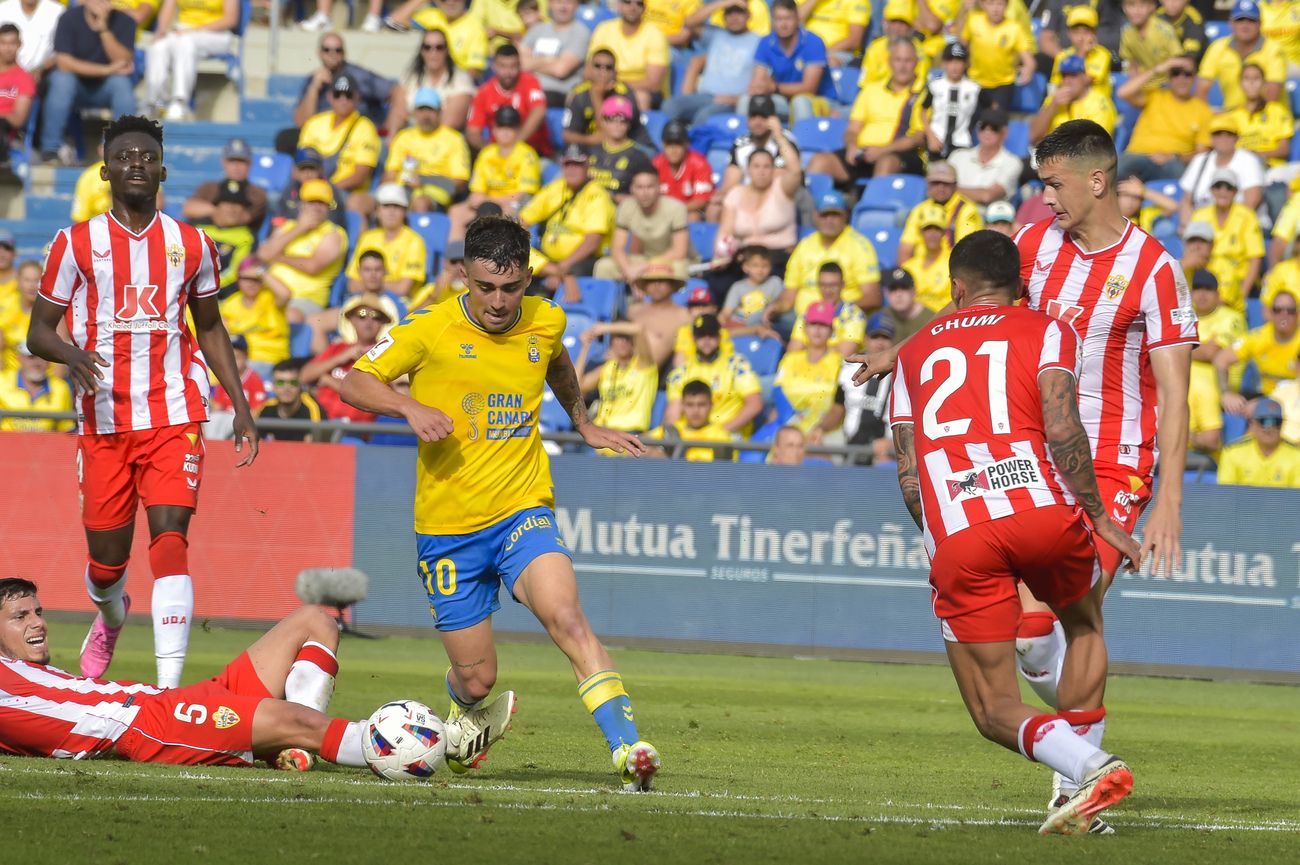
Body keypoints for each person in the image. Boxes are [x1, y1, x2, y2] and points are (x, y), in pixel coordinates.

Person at [340, 215, 660, 790]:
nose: (496, 300)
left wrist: (583, 423)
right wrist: (409, 407)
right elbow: (354, 382)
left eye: (510, 288)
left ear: (528, 278)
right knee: (478, 681)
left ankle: (627, 748)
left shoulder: (545, 319)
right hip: (447, 529)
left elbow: (557, 360)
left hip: (522, 508)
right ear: (464, 274)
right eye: (484, 286)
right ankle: (466, 720)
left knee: (567, 616)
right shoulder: (429, 327)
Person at [888, 229, 1140, 837]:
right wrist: (1100, 515)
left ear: (955, 288)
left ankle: (1088, 767)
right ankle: (1082, 781)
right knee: (1083, 625)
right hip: (1043, 514)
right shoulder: (1049, 329)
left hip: (962, 531)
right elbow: (1061, 427)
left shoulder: (913, 353)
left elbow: (909, 472)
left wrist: (943, 536)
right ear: (1021, 285)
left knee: (992, 708)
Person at [25, 115, 259, 688]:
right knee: (108, 565)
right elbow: (38, 333)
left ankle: (167, 691)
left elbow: (210, 329)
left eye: (146, 155)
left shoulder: (193, 243)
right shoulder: (74, 243)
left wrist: (242, 406)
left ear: (162, 169)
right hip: (103, 417)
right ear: (106, 170)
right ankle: (110, 613)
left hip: (175, 412)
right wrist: (71, 355)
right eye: (125, 155)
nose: (136, 162)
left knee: (172, 537)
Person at [0, 577, 392, 773]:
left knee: (314, 621)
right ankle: (400, 749)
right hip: (146, 725)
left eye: (37, 612)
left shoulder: (26, 672)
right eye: (20, 617)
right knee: (298, 720)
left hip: (175, 700)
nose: (37, 623)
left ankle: (296, 747)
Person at [806, 37, 927, 184]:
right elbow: (852, 129)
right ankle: (822, 205)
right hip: (864, 153)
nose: (902, 66)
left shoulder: (923, 93)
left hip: (899, 155)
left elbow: (917, 138)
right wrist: (851, 147)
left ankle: (872, 204)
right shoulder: (871, 90)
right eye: (898, 60)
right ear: (890, 62)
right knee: (820, 162)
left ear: (916, 63)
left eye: (907, 61)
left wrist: (882, 151)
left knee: (886, 163)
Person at [39, 0, 136, 164]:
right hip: (74, 86)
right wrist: (106, 69)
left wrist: (104, 29)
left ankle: (114, 149)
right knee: (62, 80)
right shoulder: (68, 18)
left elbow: (123, 60)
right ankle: (51, 149)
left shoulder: (125, 21)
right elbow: (63, 63)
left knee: (122, 85)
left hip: (105, 87)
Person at [257, 178, 348, 322]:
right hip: (269, 292)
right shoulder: (288, 227)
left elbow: (312, 266)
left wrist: (279, 257)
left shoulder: (334, 234)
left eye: (322, 203)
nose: (316, 208)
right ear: (302, 205)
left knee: (285, 316)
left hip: (304, 300)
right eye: (311, 202)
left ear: (328, 208)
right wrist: (300, 228)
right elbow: (263, 254)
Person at [520, 144, 615, 280]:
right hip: (550, 261)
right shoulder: (556, 188)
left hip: (581, 261)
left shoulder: (597, 195)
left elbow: (592, 241)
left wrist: (563, 267)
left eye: (577, 165)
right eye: (567, 164)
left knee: (575, 272)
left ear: (588, 166)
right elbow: (523, 219)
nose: (571, 170)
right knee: (517, 259)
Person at [714, 126, 802, 271]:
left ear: (773, 169)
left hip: (778, 258)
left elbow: (795, 170)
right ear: (748, 170)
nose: (761, 172)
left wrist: (779, 137)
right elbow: (725, 232)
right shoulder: (735, 194)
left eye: (766, 167)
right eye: (756, 166)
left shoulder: (782, 189)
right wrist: (720, 255)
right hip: (745, 259)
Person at [301, 291, 397, 424]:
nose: (368, 321)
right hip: (322, 424)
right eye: (362, 315)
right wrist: (342, 357)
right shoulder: (338, 349)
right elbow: (304, 376)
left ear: (382, 323)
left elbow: (374, 398)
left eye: (376, 316)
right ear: (352, 320)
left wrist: (329, 381)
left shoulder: (386, 355)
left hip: (356, 430)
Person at [1115, 53, 1213, 182]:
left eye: (1187, 74)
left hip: (1173, 162)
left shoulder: (1202, 109)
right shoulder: (1155, 96)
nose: (1181, 79)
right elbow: (1123, 93)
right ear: (1169, 77)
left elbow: (1202, 152)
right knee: (1113, 172)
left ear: (1195, 77)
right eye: (1176, 73)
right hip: (1139, 155)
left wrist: (1175, 156)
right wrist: (1159, 69)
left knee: (1185, 179)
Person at [449, 105, 541, 239]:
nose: (505, 131)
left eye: (510, 127)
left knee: (499, 212)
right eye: (501, 126)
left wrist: (489, 201)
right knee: (456, 211)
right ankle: (457, 257)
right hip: (486, 203)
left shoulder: (527, 154)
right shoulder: (487, 153)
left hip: (511, 205)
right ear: (494, 129)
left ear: (518, 129)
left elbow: (524, 194)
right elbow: (477, 190)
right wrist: (480, 201)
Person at [664, 312, 763, 435]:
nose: (706, 340)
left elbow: (755, 404)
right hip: (692, 436)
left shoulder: (737, 365)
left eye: (711, 335)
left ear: (719, 337)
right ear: (694, 339)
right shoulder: (681, 372)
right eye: (701, 336)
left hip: (729, 435)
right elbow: (673, 415)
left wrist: (718, 432)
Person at [662, 2, 760, 125]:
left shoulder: (758, 42)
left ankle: (691, 142)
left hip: (731, 100)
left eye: (739, 13)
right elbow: (690, 22)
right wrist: (725, 2)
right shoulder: (716, 35)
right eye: (729, 13)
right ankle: (671, 142)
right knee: (670, 106)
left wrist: (739, 100)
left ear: (748, 15)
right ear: (724, 16)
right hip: (705, 96)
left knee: (704, 116)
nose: (734, 17)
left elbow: (761, 79)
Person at [297, 72, 382, 212]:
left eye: (348, 95)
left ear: (357, 98)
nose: (343, 100)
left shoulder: (365, 128)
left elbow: (359, 176)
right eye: (338, 95)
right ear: (329, 97)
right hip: (310, 189)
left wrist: (326, 190)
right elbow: (298, 166)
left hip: (343, 191)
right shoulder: (314, 123)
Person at [143, 0, 238, 121]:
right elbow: (168, 7)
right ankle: (154, 101)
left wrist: (195, 30)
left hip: (216, 33)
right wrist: (161, 30)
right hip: (183, 30)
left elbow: (230, 19)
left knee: (185, 43)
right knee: (158, 46)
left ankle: (179, 102)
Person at [292, 32, 401, 136]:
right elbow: (302, 123)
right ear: (319, 53)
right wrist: (314, 88)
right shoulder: (313, 79)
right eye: (327, 50)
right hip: (327, 138)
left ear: (344, 53)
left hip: (358, 137)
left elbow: (397, 91)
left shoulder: (358, 76)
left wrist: (390, 130)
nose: (332, 54)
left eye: (337, 50)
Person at [383, 87, 471, 213]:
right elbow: (390, 173)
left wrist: (423, 180)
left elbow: (459, 183)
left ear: (440, 111)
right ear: (414, 112)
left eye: (430, 110)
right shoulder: (403, 137)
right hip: (403, 191)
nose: (425, 116)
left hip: (434, 195)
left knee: (420, 203)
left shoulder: (453, 139)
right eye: (421, 110)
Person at [744, 0, 833, 125]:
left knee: (800, 102)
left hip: (819, 100)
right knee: (748, 100)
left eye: (788, 18)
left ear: (797, 19)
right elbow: (759, 81)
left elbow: (809, 88)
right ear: (772, 21)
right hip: (782, 99)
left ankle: (802, 143)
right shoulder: (766, 42)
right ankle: (746, 143)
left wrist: (774, 87)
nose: (783, 24)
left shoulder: (813, 42)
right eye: (778, 19)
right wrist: (759, 87)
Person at [594, 168, 688, 284]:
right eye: (640, 187)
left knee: (677, 269)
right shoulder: (626, 207)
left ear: (659, 188)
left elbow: (679, 251)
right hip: (646, 258)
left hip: (672, 260)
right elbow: (617, 248)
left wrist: (642, 268)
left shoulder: (676, 208)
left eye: (650, 187)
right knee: (604, 266)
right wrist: (628, 269)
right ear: (632, 189)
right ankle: (612, 301)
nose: (645, 192)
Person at [1189, 168, 1264, 307]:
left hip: (1239, 282)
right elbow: (1191, 250)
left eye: (1228, 187)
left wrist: (1241, 295)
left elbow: (1255, 259)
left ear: (1235, 191)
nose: (1223, 191)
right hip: (1206, 282)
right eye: (1218, 186)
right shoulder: (1200, 215)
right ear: (1211, 190)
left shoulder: (1247, 216)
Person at [1215, 287, 1300, 408]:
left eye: (1290, 311)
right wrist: (1226, 393)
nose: (1284, 315)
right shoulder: (1258, 337)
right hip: (1265, 395)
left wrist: (1265, 405)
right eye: (1278, 310)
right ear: (1270, 313)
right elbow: (1221, 359)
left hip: (1295, 398)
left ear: (1297, 314)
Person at [1186, 267, 1241, 454]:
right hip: (1185, 382)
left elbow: (1212, 353)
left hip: (1218, 385)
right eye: (1198, 288)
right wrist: (1198, 348)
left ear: (1217, 294)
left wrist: (1180, 348)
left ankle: (1191, 438)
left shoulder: (1231, 317)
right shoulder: (1184, 315)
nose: (1202, 294)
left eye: (1208, 289)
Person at [345, 183, 429, 301]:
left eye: (396, 206)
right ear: (377, 210)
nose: (391, 211)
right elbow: (352, 285)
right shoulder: (367, 238)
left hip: (398, 305)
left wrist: (368, 283)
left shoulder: (414, 241)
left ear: (405, 211)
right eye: (386, 206)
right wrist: (385, 284)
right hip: (364, 300)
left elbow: (402, 289)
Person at [771, 300, 842, 438]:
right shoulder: (790, 359)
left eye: (823, 325)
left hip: (822, 429)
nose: (817, 330)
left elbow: (838, 407)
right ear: (804, 327)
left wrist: (821, 428)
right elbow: (778, 402)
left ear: (832, 330)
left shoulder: (839, 363)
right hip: (787, 425)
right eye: (813, 324)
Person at [574, 319, 658, 435]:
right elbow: (577, 386)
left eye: (627, 338)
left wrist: (605, 328)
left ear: (633, 342)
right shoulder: (607, 368)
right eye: (618, 338)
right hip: (604, 433)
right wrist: (585, 348)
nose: (623, 342)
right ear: (612, 342)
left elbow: (639, 329)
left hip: (631, 433)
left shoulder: (643, 366)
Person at [1196, 0, 1285, 109]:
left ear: (1260, 24)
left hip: (1266, 116)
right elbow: (1202, 88)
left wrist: (1245, 118)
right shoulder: (1218, 47)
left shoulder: (1273, 49)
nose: (1245, 25)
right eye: (1240, 20)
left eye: (1251, 20)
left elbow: (1273, 94)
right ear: (1230, 23)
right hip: (1231, 116)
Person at [1176, 114, 1265, 220]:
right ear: (1211, 138)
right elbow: (1186, 200)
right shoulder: (1200, 160)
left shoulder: (1248, 160)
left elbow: (1251, 204)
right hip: (1201, 224)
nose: (1223, 138)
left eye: (1229, 134)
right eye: (1218, 134)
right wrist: (1187, 226)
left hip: (1239, 224)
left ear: (1237, 137)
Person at [467, 44, 549, 155]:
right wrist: (489, 152)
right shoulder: (484, 92)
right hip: (498, 154)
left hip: (534, 152)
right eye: (503, 66)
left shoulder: (530, 82)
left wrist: (515, 145)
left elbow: (539, 111)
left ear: (519, 65)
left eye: (513, 66)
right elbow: (473, 131)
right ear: (494, 66)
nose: (508, 72)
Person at [589, 0, 670, 111]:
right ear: (619, 5)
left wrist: (616, 86)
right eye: (627, 2)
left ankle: (639, 129)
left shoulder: (655, 35)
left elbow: (653, 83)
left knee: (641, 97)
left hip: (641, 91)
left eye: (639, 3)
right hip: (605, 85)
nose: (633, 7)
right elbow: (588, 70)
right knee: (577, 93)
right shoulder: (603, 29)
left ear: (645, 8)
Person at [898, 160, 984, 264]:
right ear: (928, 184)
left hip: (949, 270)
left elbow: (965, 252)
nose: (940, 188)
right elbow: (905, 250)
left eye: (946, 184)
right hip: (920, 270)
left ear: (955, 185)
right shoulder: (920, 209)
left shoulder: (966, 210)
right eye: (935, 183)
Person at [836, 313, 895, 465]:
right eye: (875, 337)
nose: (880, 343)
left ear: (893, 342)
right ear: (866, 339)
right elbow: (837, 406)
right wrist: (821, 428)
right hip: (849, 438)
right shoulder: (848, 367)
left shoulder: (902, 372)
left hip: (887, 446)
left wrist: (891, 442)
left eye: (885, 337)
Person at [959, 0, 1034, 112]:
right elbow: (960, 47)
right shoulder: (974, 21)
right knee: (969, 121)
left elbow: (1029, 60)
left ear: (1006, 6)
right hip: (975, 82)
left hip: (1003, 84)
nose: (995, 9)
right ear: (983, 5)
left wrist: (1028, 69)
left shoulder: (1014, 28)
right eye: (991, 3)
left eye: (1000, 4)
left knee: (995, 122)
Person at [563, 49, 646, 150]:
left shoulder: (624, 94)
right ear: (589, 69)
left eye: (608, 67)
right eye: (598, 66)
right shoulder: (580, 93)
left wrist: (597, 96)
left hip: (628, 148)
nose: (603, 71)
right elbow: (567, 135)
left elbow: (610, 135)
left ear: (615, 72)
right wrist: (590, 140)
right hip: (591, 150)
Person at [396, 25, 475, 132]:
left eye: (439, 47)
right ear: (421, 51)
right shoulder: (409, 76)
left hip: (444, 140)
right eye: (427, 47)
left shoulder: (461, 79)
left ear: (447, 50)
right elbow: (397, 115)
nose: (433, 53)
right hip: (410, 136)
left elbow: (450, 124)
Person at [183, 137, 268, 233]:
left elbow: (234, 220)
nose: (236, 166)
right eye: (232, 160)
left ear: (250, 164)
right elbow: (188, 208)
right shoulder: (208, 187)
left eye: (241, 161)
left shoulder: (257, 193)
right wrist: (216, 210)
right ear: (223, 162)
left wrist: (208, 209)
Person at [1030, 54, 1117, 145]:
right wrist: (1052, 106)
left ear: (1085, 77)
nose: (1067, 81)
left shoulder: (1099, 104)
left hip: (1084, 156)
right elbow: (1032, 136)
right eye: (1064, 76)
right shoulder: (1053, 100)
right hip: (1051, 154)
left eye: (1073, 75)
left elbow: (1096, 146)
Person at [785, 261, 867, 358]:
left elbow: (844, 353)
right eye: (823, 285)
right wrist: (831, 348)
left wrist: (810, 350)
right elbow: (793, 351)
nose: (828, 290)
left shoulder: (854, 314)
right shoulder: (808, 312)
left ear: (842, 285)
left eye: (833, 285)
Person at [519, 0, 590, 108]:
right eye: (558, 2)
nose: (563, 7)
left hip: (556, 95)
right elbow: (518, 63)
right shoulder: (537, 29)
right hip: (527, 90)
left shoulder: (580, 32)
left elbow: (560, 70)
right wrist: (547, 60)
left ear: (576, 5)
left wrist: (531, 63)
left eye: (568, 2)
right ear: (550, 4)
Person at [1216, 397, 1300, 486]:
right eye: (1263, 421)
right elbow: (1226, 494)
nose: (1269, 428)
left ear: (1282, 424)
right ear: (1253, 424)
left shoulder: (1297, 456)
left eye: (1276, 422)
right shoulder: (1233, 453)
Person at [627, 258, 693, 371]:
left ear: (672, 285)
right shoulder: (634, 311)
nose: (656, 285)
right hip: (624, 369)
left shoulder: (683, 315)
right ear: (645, 286)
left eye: (662, 280)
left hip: (655, 374)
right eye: (652, 281)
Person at [646, 378, 735, 461]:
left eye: (701, 404)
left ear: (711, 405)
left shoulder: (721, 436)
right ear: (682, 405)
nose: (695, 411)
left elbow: (723, 472)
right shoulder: (671, 431)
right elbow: (636, 446)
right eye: (690, 405)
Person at [587, 94, 655, 200]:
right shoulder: (591, 151)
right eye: (612, 119)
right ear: (603, 121)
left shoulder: (639, 157)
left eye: (623, 120)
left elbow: (646, 198)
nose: (617, 124)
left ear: (629, 124)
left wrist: (612, 197)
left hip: (621, 211)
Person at [194, 180, 257, 292]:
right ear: (216, 205)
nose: (232, 209)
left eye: (238, 204)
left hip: (222, 296)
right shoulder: (197, 227)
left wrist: (206, 289)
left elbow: (236, 272)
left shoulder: (247, 236)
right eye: (227, 203)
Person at [924, 41, 982, 161]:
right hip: (937, 141)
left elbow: (989, 111)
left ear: (966, 64)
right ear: (943, 63)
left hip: (962, 142)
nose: (954, 66)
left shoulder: (974, 89)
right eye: (950, 61)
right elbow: (922, 110)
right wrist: (930, 136)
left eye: (959, 61)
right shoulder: (935, 86)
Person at [0, 340, 73, 430]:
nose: (37, 363)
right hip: (6, 443)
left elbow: (66, 429)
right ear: (19, 358)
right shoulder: (2, 382)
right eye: (31, 357)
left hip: (46, 443)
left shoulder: (61, 388)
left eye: (43, 357)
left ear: (50, 361)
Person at [653, 119, 714, 220]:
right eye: (669, 144)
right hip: (662, 212)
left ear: (686, 145)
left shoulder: (699, 163)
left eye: (678, 144)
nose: (673, 150)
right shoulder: (656, 164)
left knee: (693, 217)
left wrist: (675, 211)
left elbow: (701, 200)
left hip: (689, 211)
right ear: (663, 145)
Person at [1119, 0, 1185, 91]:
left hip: (1165, 85)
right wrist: (1136, 86)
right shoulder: (1126, 32)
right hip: (1143, 85)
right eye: (1131, 5)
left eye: (1142, 6)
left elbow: (1179, 61)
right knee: (1123, 92)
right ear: (1124, 8)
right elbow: (1132, 64)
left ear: (1152, 7)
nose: (1136, 11)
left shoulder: (1164, 30)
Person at [902, 202, 954, 313]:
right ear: (921, 232)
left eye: (937, 229)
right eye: (928, 229)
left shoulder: (953, 264)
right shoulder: (910, 267)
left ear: (944, 233)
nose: (932, 234)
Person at [255, 359, 322, 442]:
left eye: (293, 382)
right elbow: (257, 442)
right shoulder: (267, 408)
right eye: (280, 383)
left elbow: (315, 447)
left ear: (300, 384)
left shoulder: (312, 408)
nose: (287, 388)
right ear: (273, 386)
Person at [720, 246, 784, 330]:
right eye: (755, 266)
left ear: (771, 267)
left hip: (766, 320)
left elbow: (781, 304)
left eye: (764, 266)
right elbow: (726, 312)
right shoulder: (738, 287)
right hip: (742, 322)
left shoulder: (775, 282)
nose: (760, 270)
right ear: (746, 267)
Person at [0, 22, 34, 170]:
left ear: (19, 45)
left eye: (12, 43)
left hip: (7, 130)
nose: (7, 48)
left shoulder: (24, 78)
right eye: (3, 43)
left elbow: (18, 119)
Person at [0, 0, 63, 79]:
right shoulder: (3, 9)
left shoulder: (57, 11)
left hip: (45, 74)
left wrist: (41, 69)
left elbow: (63, 51)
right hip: (6, 73)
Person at [880, 266, 935, 341]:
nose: (898, 294)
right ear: (886, 293)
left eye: (904, 288)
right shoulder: (882, 317)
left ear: (914, 291)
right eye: (893, 289)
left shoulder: (932, 319)